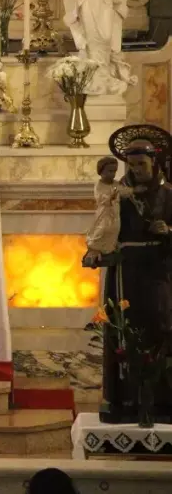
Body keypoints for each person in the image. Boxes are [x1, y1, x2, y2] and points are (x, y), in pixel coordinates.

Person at [99, 130, 172, 424]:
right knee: (120, 328)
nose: (136, 170)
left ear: (154, 163)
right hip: (124, 272)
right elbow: (103, 227)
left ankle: (162, 399)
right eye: (131, 165)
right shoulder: (116, 196)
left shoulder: (169, 195)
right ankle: (123, 398)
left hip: (159, 272)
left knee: (160, 326)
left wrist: (168, 232)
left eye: (141, 164)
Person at [83, 156, 132, 266]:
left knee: (114, 229)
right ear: (101, 171)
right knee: (102, 229)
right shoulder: (99, 185)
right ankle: (94, 249)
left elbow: (123, 191)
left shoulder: (115, 184)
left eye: (114, 171)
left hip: (115, 212)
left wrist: (133, 191)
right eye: (110, 171)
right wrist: (111, 196)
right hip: (104, 213)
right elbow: (101, 198)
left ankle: (108, 249)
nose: (113, 174)